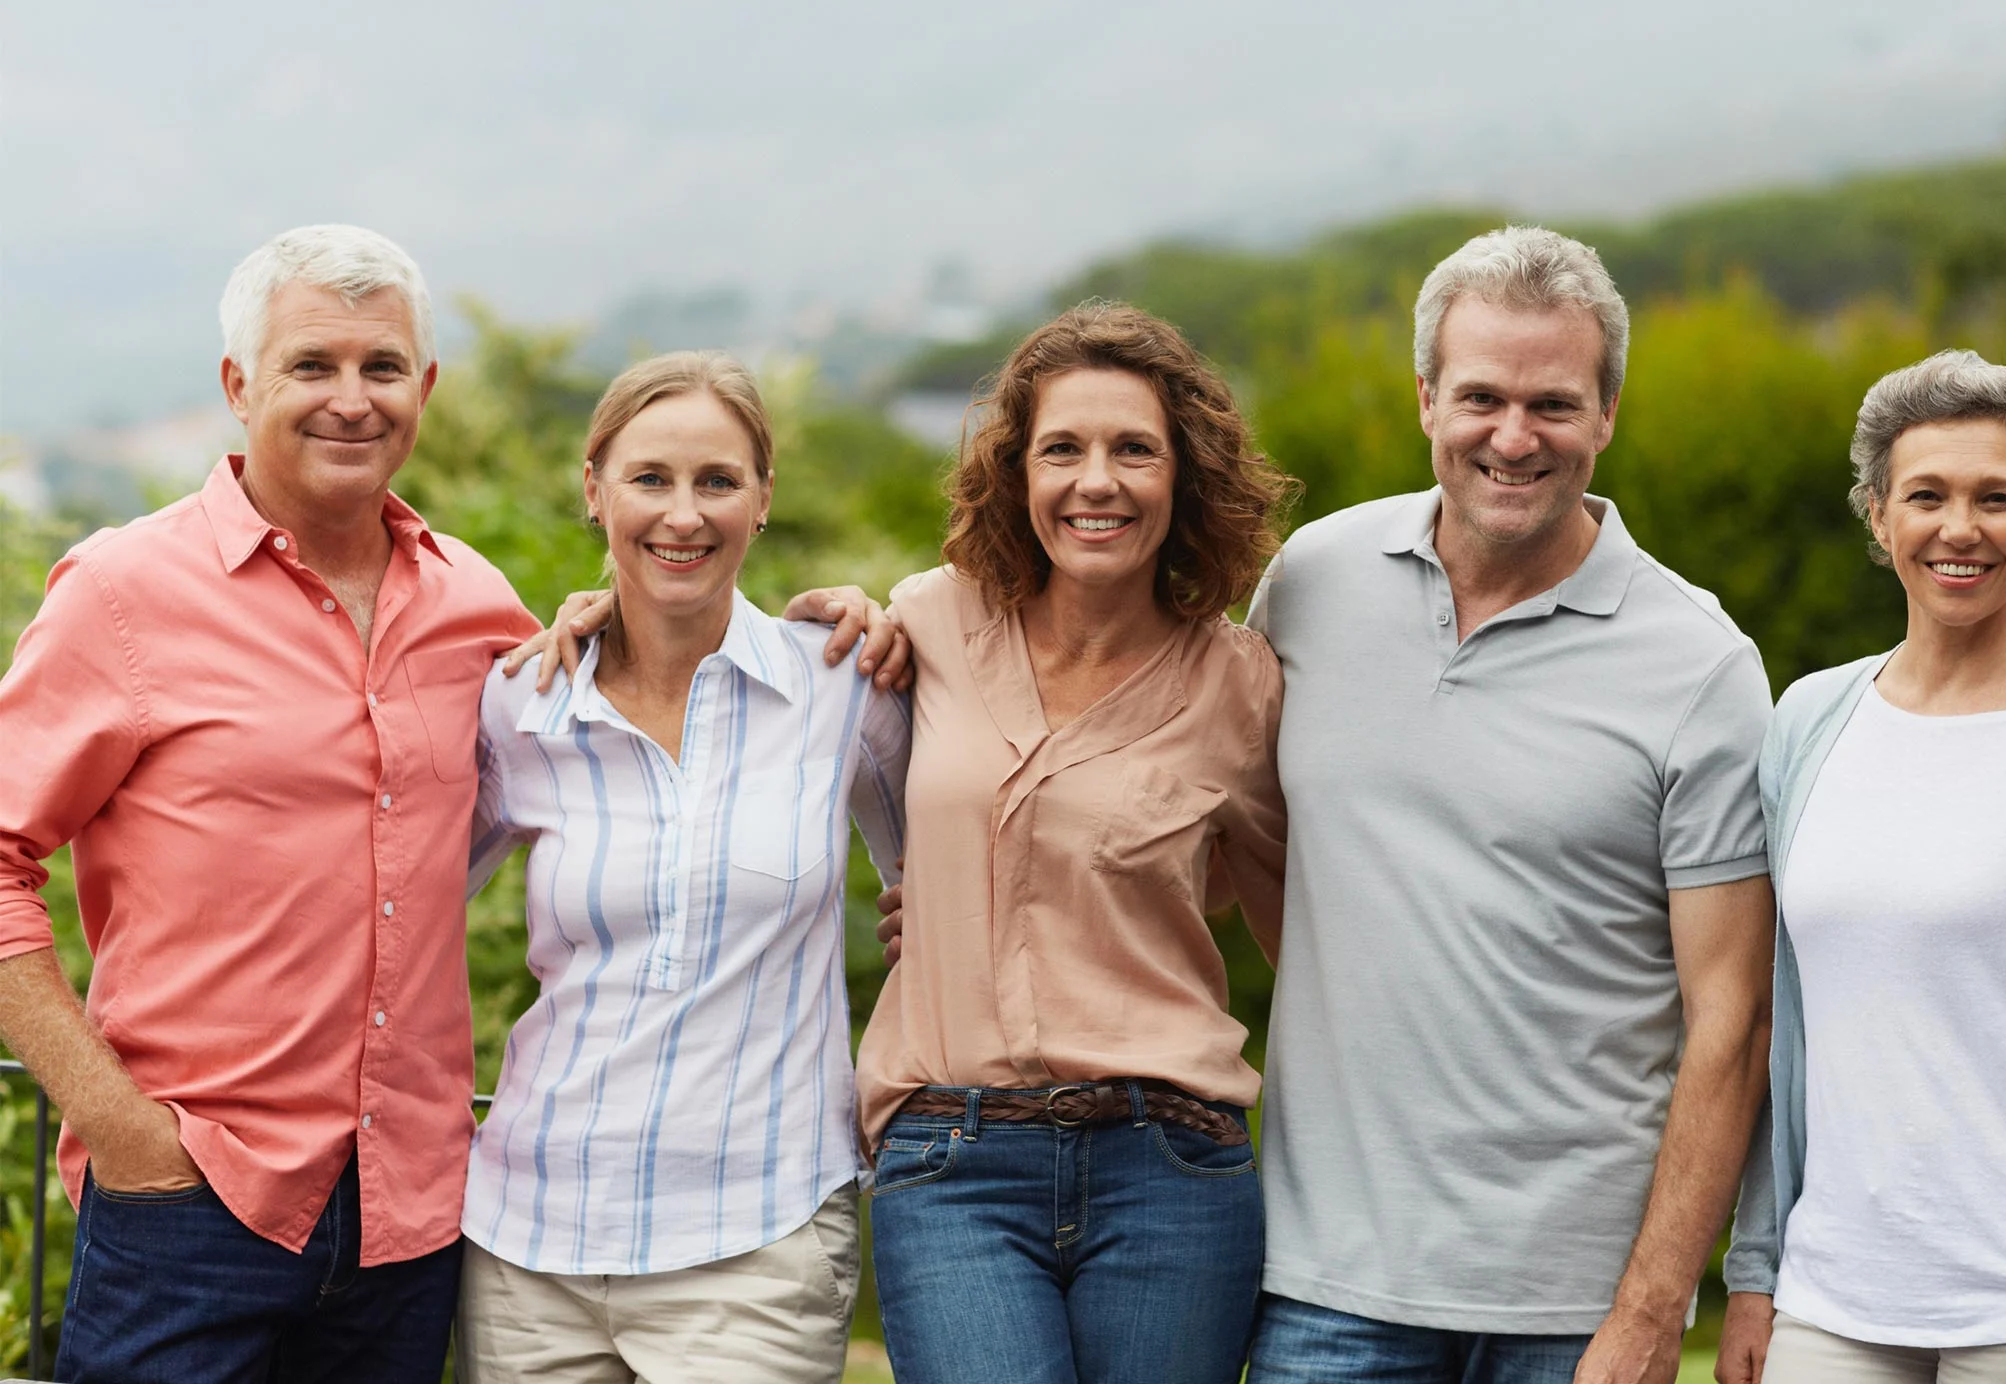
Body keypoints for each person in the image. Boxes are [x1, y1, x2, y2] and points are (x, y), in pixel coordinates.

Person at [0, 225, 539, 1381]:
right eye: (312, 365)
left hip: (409, 1215)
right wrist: (119, 1125)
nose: (352, 399)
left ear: (425, 389)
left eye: (383, 367)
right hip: (188, 1204)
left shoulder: (476, 604)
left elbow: (616, 755)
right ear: (240, 385)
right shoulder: (123, 593)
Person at [1241, 226, 1776, 1384]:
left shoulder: (1699, 665)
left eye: (1554, 403)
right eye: (1480, 396)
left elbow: (1730, 1018)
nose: (1513, 437)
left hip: (1574, 1310)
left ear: (1607, 415)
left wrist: (1649, 1312)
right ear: (1426, 397)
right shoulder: (1306, 587)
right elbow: (1234, 832)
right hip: (1328, 1283)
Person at [853, 302, 1289, 1383]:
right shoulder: (929, 621)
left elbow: (1293, 929)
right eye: (1063, 450)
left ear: (1183, 478)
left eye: (1134, 449)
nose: (1097, 482)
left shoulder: (1242, 686)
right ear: (1018, 475)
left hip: (1171, 1167)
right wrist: (602, 613)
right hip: (951, 1161)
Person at [454, 352, 907, 1382]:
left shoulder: (842, 688)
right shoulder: (523, 704)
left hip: (759, 1238)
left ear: (762, 500)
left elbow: (950, 885)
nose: (683, 514)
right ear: (593, 490)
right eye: (650, 479)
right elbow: (401, 905)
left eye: (718, 481)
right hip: (529, 1240)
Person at [1713, 352, 2006, 1384]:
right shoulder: (1808, 720)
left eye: (1996, 497)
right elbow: (1783, 1019)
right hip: (1831, 1298)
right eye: (1926, 496)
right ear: (1877, 517)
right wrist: (1755, 1270)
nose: (1958, 528)